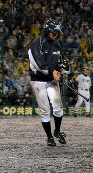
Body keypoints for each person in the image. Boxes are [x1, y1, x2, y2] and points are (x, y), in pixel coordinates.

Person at [28, 19, 67, 147]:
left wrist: (62, 68)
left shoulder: (57, 46)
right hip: (38, 80)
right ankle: (49, 137)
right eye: (53, 32)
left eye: (56, 33)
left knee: (58, 107)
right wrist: (52, 71)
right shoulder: (37, 42)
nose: (55, 35)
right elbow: (39, 63)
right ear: (47, 30)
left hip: (51, 80)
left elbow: (59, 63)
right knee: (45, 110)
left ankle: (57, 130)